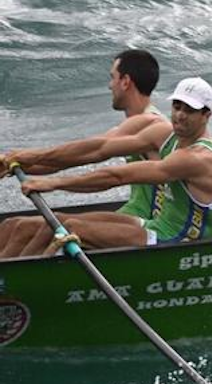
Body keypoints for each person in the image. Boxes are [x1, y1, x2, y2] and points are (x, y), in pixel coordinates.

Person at [0, 77, 212, 258]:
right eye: (177, 107)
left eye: (190, 110)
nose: (180, 116)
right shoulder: (166, 135)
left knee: (70, 229)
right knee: (23, 225)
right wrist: (24, 158)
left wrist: (54, 184)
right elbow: (100, 149)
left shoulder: (198, 158)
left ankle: (19, 287)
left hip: (180, 243)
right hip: (157, 225)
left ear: (207, 115)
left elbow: (117, 176)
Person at [0, 49, 172, 254]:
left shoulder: (150, 122)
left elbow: (94, 150)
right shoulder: (131, 126)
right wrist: (12, 165)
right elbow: (68, 160)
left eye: (112, 78)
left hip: (150, 223)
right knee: (12, 225)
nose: (110, 85)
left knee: (30, 228)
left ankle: (12, 280)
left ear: (125, 82)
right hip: (130, 214)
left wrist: (25, 157)